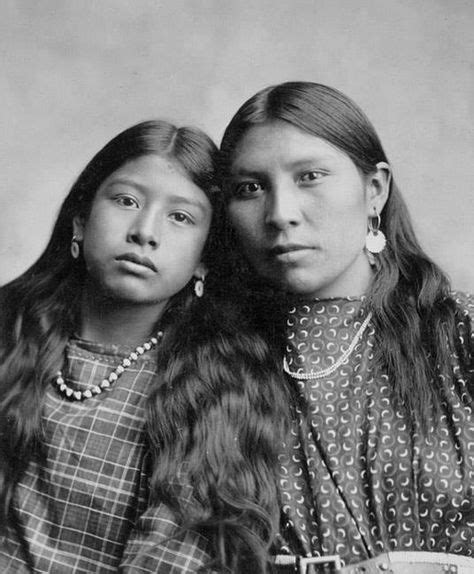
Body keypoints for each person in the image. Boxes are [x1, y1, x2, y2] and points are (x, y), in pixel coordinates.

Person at [0, 119, 287, 573]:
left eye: (180, 217)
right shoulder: (11, 332)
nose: (145, 231)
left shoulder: (214, 388)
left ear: (204, 260)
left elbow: (172, 558)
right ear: (80, 220)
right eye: (126, 200)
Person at [218, 82, 474, 573]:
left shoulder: (458, 333)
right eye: (249, 188)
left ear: (374, 189)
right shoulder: (215, 364)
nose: (280, 215)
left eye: (309, 176)